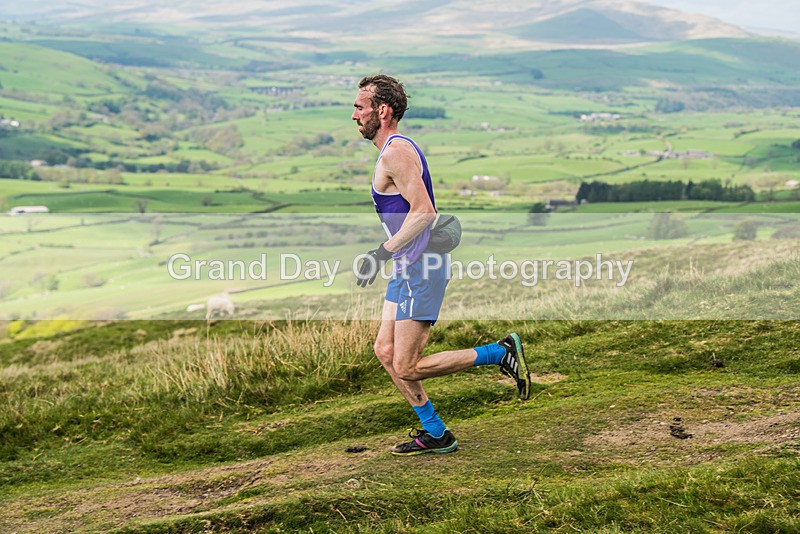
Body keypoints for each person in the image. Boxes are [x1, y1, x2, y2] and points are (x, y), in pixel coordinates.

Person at [352, 74, 531, 456]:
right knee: (385, 351)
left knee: (407, 365)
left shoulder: (395, 153)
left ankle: (499, 353)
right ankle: (436, 433)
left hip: (422, 267)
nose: (354, 115)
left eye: (359, 107)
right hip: (407, 265)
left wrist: (379, 253)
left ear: (382, 111)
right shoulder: (393, 150)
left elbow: (424, 212)